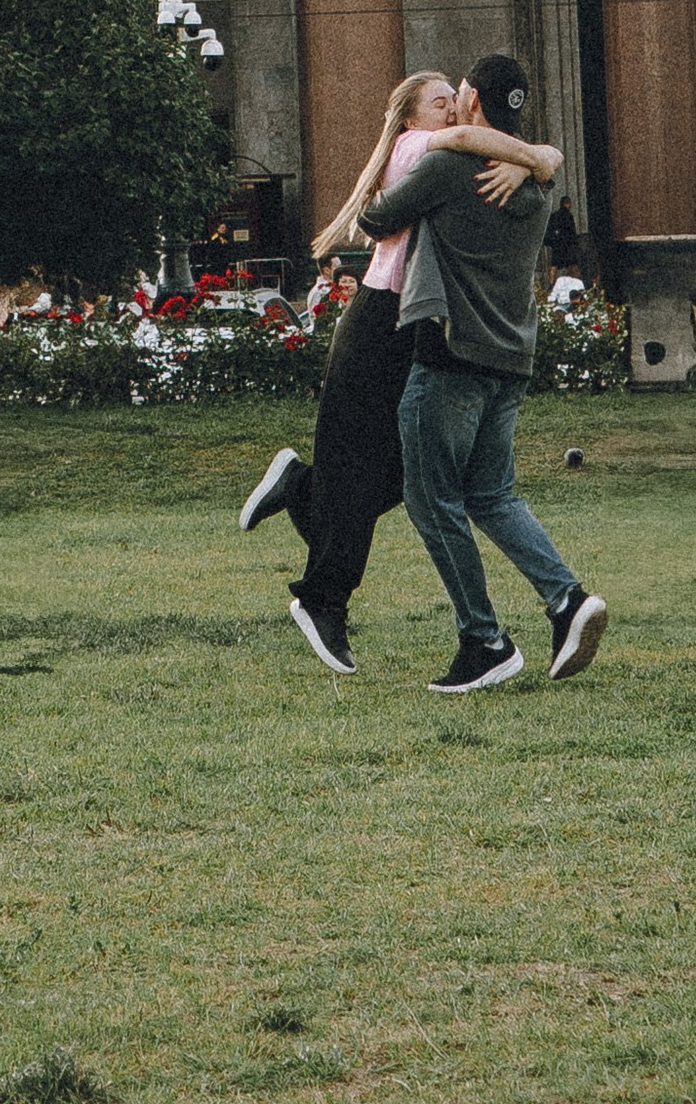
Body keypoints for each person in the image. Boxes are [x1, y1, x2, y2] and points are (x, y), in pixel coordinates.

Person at [239, 71, 551, 677]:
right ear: (409, 118)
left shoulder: (450, 156)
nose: (452, 111)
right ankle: (322, 598)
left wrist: (532, 163)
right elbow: (469, 140)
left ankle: (301, 488)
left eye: (455, 101)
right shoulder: (415, 148)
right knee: (359, 473)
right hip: (377, 318)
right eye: (439, 103)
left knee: (403, 473)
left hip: (406, 322)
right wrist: (537, 158)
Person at [361, 52, 607, 693]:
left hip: (450, 354)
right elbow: (544, 159)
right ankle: (568, 600)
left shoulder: (448, 167)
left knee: (431, 500)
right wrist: (535, 156)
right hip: (512, 359)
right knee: (493, 494)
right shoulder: (538, 181)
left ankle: (484, 641)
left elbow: (374, 218)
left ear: (471, 98)